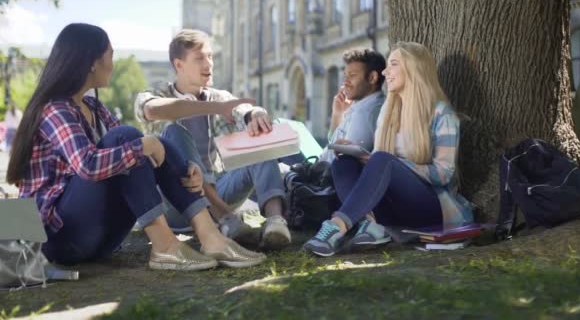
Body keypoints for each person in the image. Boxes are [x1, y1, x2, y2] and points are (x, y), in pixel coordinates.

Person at [6, 23, 266, 270]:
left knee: (148, 144)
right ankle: (165, 245)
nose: (113, 63)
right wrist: (145, 146)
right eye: (110, 55)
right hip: (59, 240)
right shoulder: (54, 109)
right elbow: (88, 165)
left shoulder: (95, 108)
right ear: (92, 63)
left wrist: (185, 168)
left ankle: (212, 238)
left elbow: (138, 156)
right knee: (130, 139)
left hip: (102, 241)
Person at [304, 42, 474, 257]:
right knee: (343, 163)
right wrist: (364, 157)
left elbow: (444, 174)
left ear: (413, 69)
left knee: (383, 159)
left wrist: (391, 163)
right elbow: (381, 165)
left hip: (432, 208)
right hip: (394, 209)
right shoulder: (389, 110)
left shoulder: (442, 114)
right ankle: (374, 226)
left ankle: (336, 226)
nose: (385, 72)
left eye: (393, 64)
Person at [134, 29, 291, 250]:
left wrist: (254, 115)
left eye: (210, 56)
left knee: (256, 135)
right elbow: (151, 110)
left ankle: (276, 221)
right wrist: (216, 108)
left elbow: (240, 109)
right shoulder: (158, 94)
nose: (208, 64)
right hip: (175, 203)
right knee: (173, 131)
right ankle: (225, 217)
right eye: (199, 58)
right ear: (178, 65)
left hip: (218, 190)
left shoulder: (218, 96)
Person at [318, 49, 386, 163]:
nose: (345, 82)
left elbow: (342, 162)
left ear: (372, 78)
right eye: (346, 76)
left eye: (352, 76)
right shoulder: (360, 105)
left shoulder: (364, 114)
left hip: (320, 174)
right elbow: (333, 143)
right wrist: (337, 115)